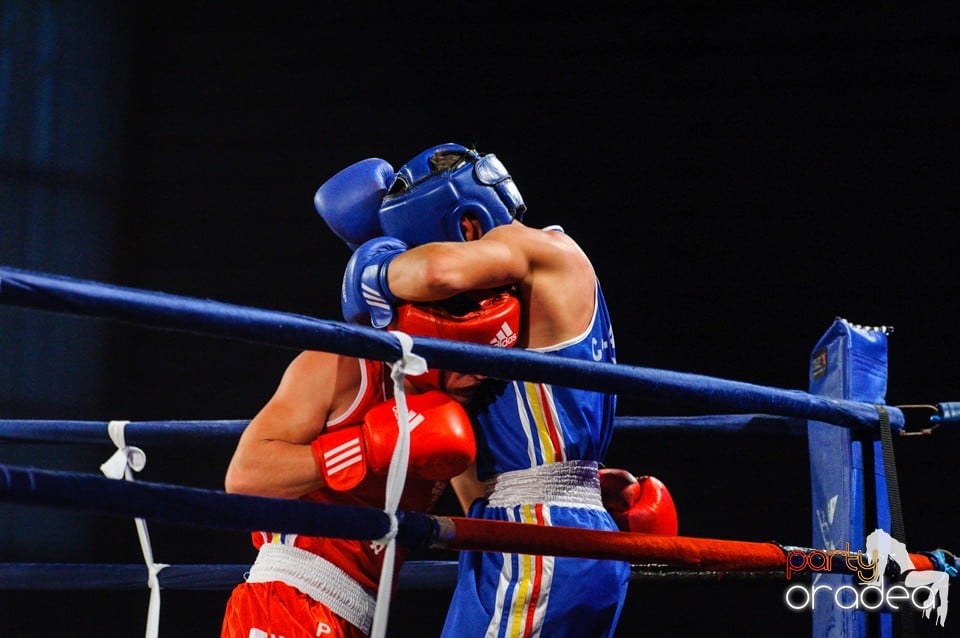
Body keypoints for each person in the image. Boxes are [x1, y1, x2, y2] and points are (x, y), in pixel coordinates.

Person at [325, 143, 678, 638]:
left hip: (538, 539)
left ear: (467, 227)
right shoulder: (505, 321)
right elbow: (474, 482)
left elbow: (435, 272)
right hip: (535, 529)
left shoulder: (537, 248)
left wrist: (375, 266)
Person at [220, 288, 523, 638]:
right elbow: (245, 475)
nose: (478, 375)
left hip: (361, 615)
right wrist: (364, 447)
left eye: (486, 359)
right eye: (465, 358)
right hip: (291, 599)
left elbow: (480, 514)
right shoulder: (344, 366)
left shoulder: (452, 416)